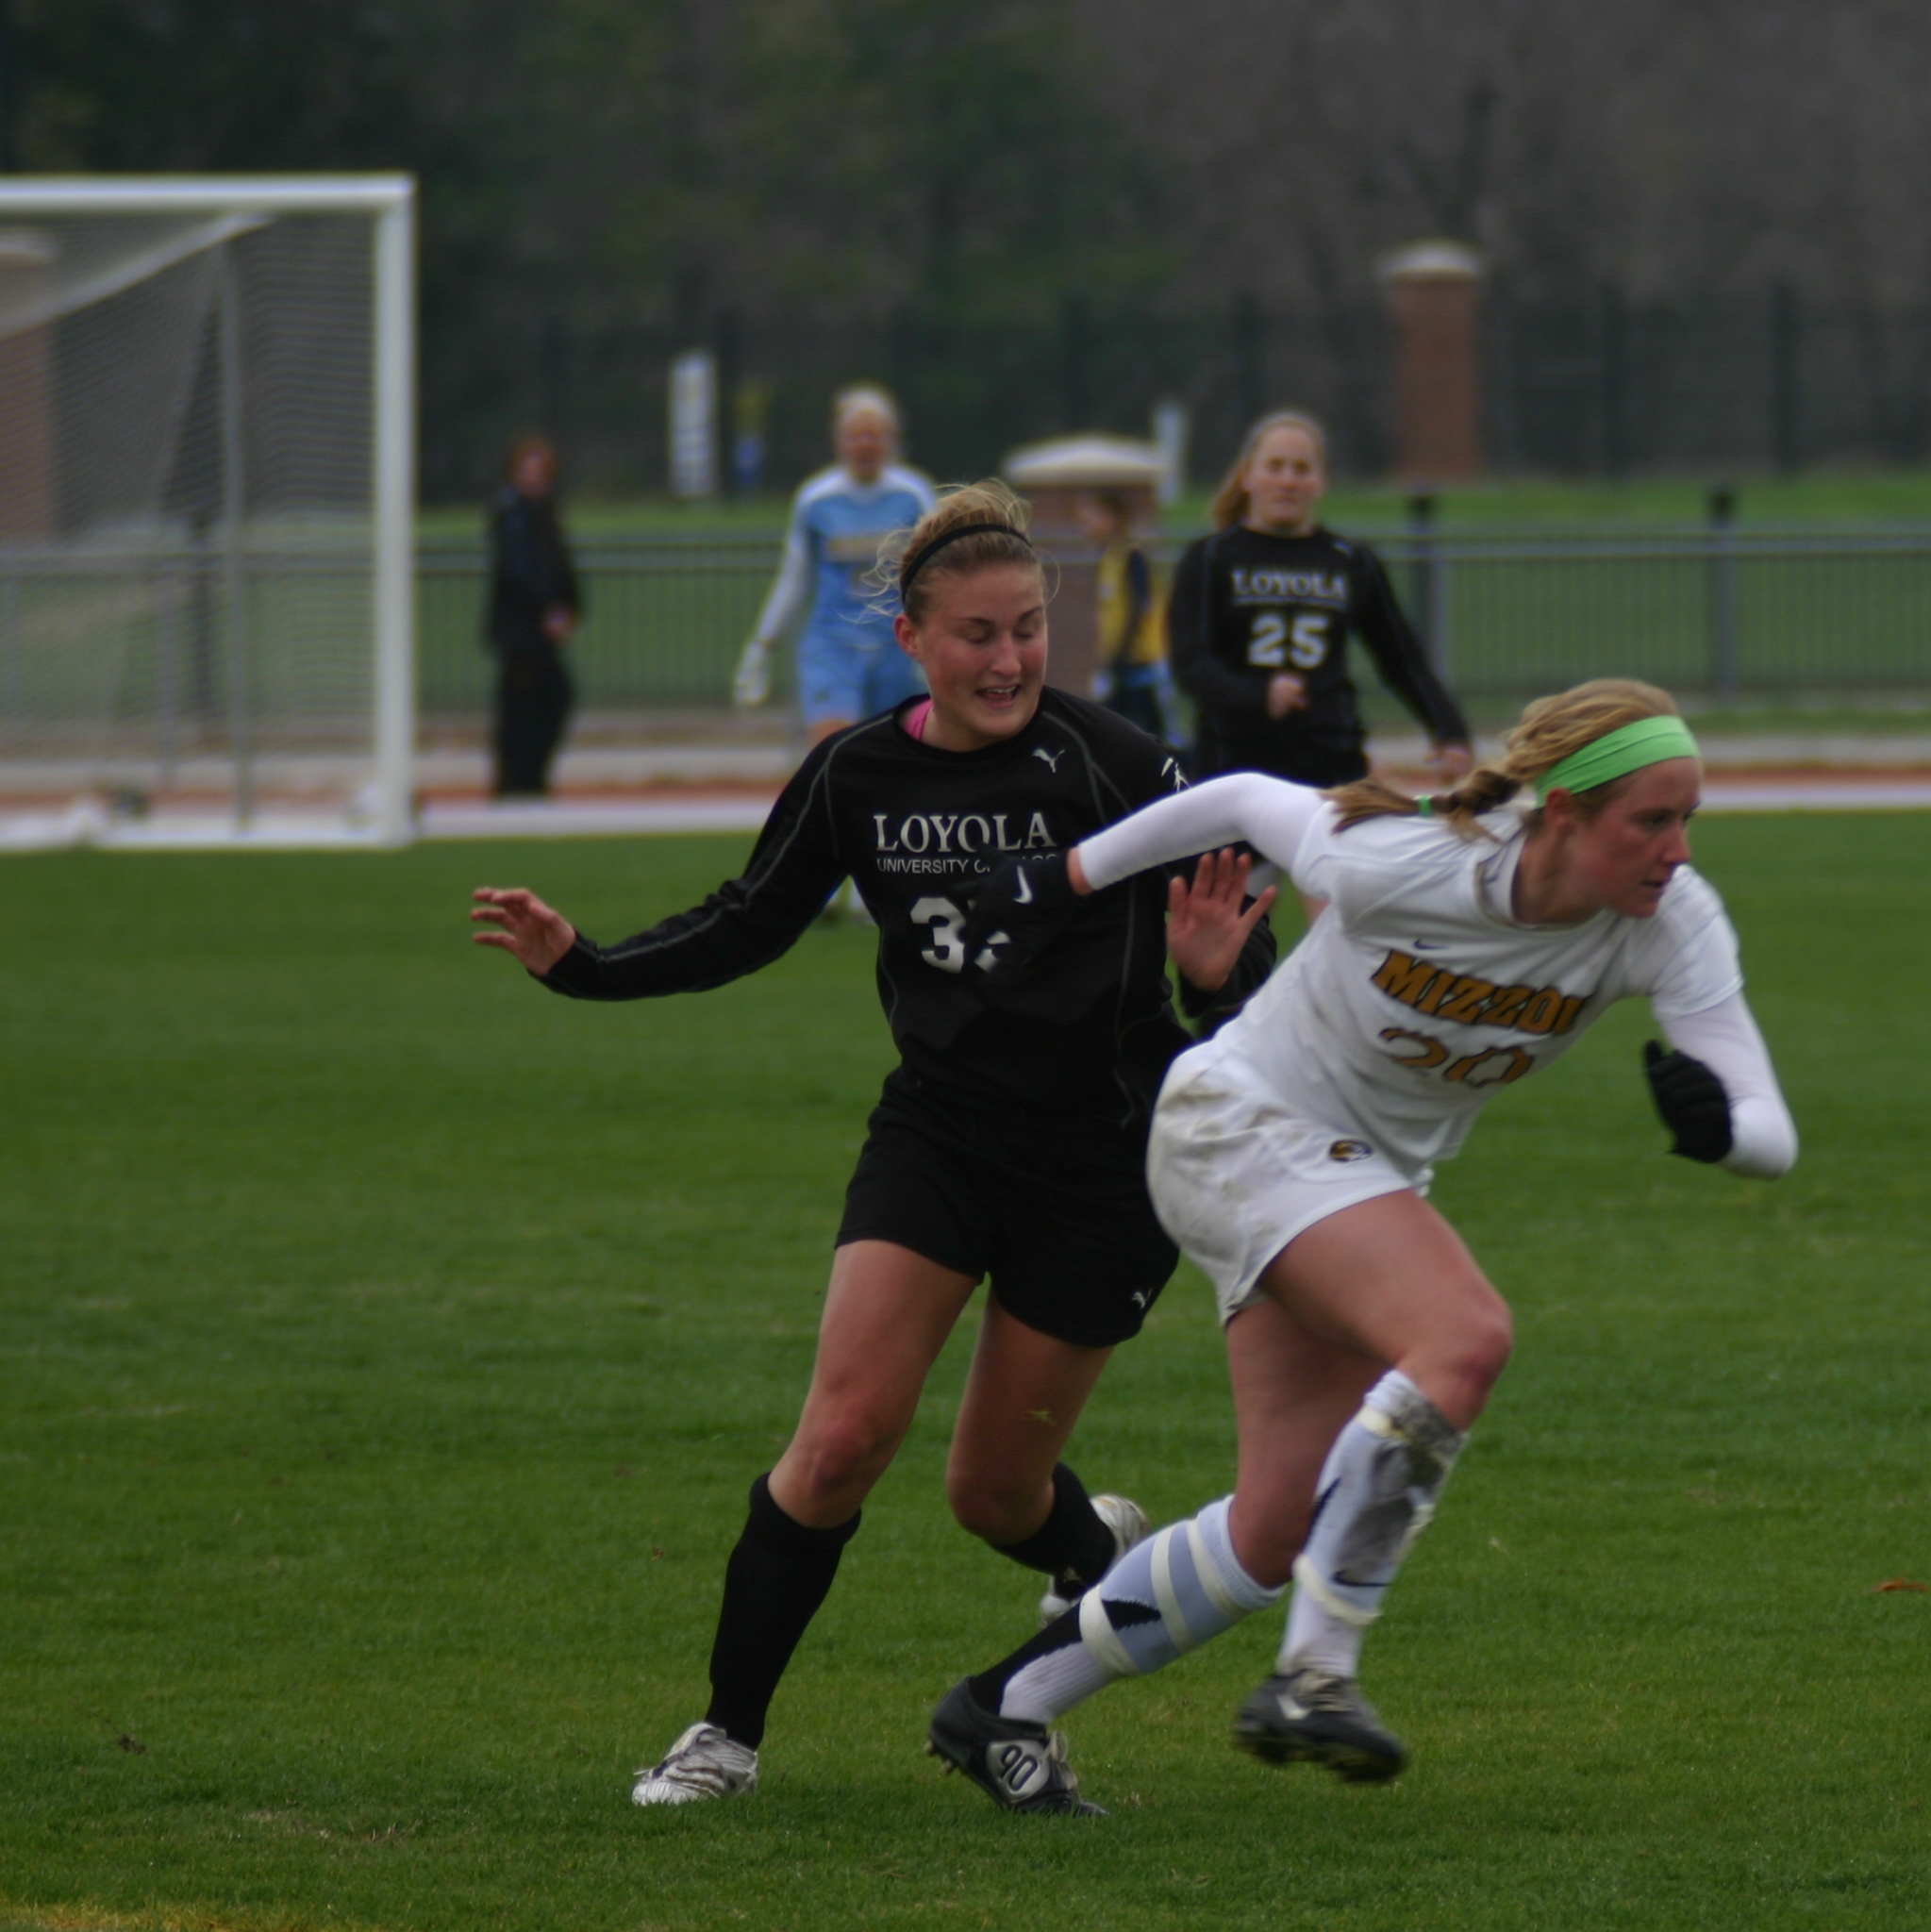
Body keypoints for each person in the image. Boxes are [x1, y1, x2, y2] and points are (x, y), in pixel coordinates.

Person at [469, 480, 1277, 1807]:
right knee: (841, 1439)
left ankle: (1085, 1542)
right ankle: (723, 1737)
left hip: (1105, 1164)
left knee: (993, 1495)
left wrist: (1209, 979)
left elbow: (1254, 979)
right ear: (912, 639)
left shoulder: (1120, 764)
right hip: (939, 1135)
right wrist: (585, 966)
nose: (1009, 659)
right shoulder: (857, 771)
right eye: (977, 634)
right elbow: (750, 917)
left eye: (1028, 630)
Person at [917, 678, 1797, 1816]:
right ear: (1563, 813)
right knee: (1464, 1337)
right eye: (1652, 820)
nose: (1677, 850)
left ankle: (1004, 1705)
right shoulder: (1410, 858)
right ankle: (1315, 1674)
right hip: (1241, 1122)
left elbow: (1769, 1127)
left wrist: (1723, 1130)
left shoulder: (1670, 919)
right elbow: (1243, 797)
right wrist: (1063, 875)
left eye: (1689, 819)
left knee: (1272, 1529)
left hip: (1351, 1178)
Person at [1169, 410, 1473, 791]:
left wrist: (1449, 731)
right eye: (1275, 467)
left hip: (1331, 763)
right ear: (1247, 476)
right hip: (1234, 764)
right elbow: (1190, 662)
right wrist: (1257, 695)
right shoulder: (1211, 558)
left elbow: (1400, 657)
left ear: (1320, 481)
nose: (1288, 481)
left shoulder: (1350, 561)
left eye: (1302, 469)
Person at [732, 385, 940, 741]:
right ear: (838, 441)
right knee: (833, 749)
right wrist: (762, 646)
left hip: (897, 645)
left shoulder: (913, 495)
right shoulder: (816, 499)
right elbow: (795, 578)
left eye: (874, 435)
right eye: (856, 436)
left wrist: (937, 641)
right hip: (833, 645)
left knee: (899, 756)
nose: (865, 444)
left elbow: (936, 574)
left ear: (892, 440)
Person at [484, 435, 580, 798]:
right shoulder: (512, 514)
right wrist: (547, 611)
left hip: (540, 633)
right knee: (525, 708)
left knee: (549, 703)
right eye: (526, 470)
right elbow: (520, 570)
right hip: (520, 632)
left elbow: (559, 568)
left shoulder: (546, 512)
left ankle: (529, 781)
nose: (534, 477)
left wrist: (569, 607)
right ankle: (517, 784)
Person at [1084, 488, 1174, 741]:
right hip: (1120, 662)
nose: (1087, 525)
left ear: (1112, 518)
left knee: (1151, 733)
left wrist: (1117, 657)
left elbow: (1138, 607)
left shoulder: (1131, 556)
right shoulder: (1109, 557)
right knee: (1111, 732)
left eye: (1093, 517)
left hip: (1140, 662)